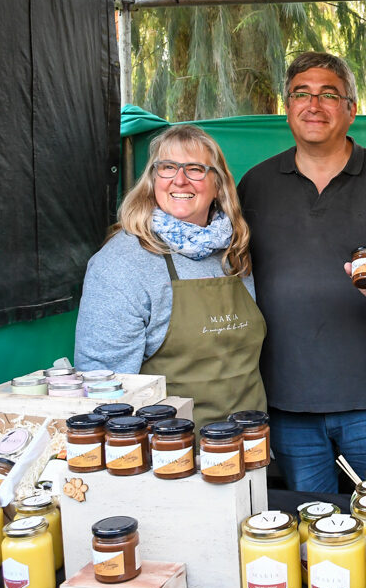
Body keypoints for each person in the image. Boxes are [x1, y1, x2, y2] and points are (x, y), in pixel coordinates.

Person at [238, 52, 366, 495]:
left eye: (329, 94)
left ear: (351, 109)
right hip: (285, 403)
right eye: (301, 94)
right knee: (310, 534)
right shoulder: (255, 185)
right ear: (286, 107)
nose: (313, 104)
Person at [76, 124, 267, 428]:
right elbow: (102, 389)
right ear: (152, 181)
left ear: (218, 185)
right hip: (170, 456)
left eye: (195, 169)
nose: (179, 179)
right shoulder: (121, 263)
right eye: (167, 168)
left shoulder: (234, 252)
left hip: (249, 443)